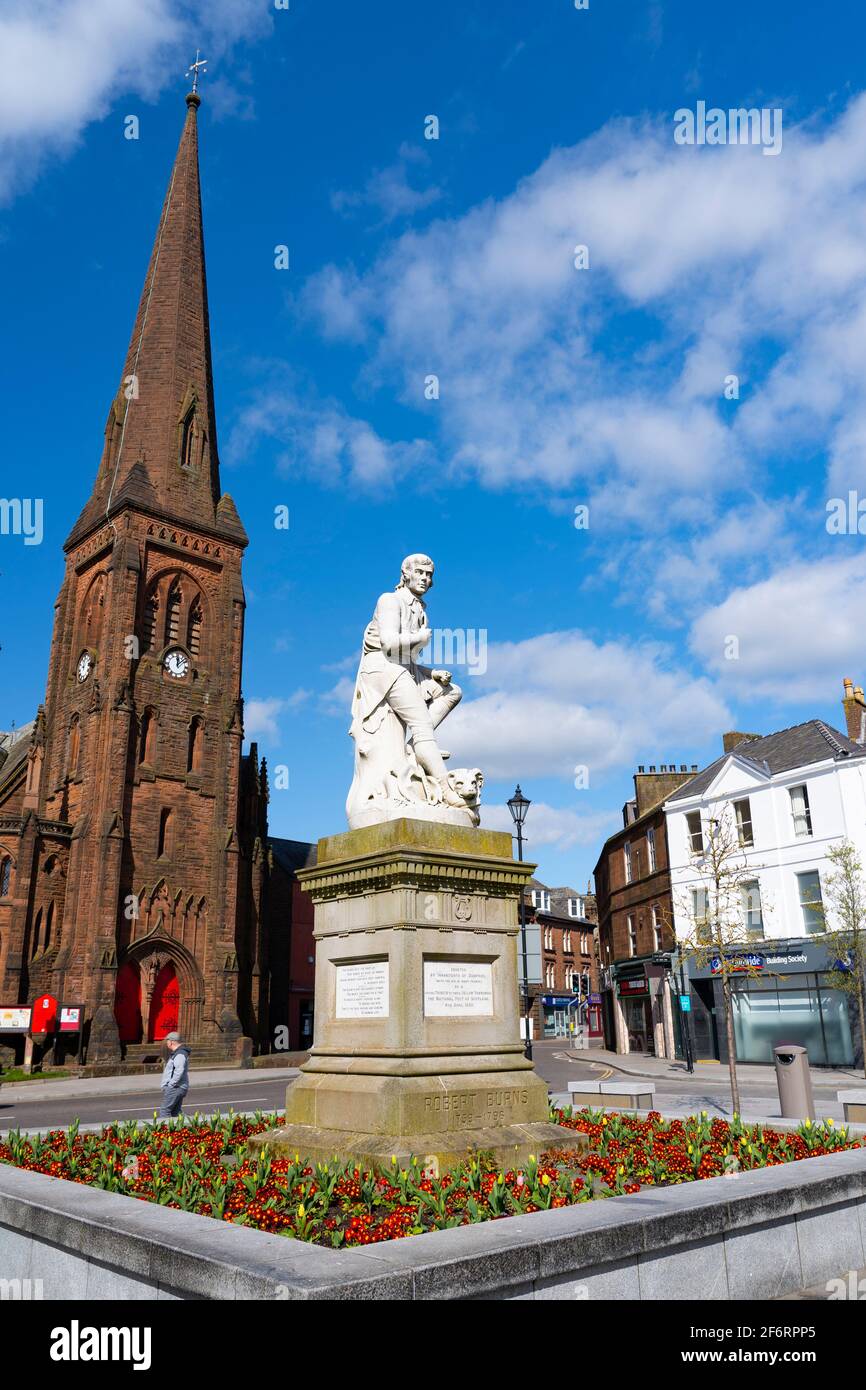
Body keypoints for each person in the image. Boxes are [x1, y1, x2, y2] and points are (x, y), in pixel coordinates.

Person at [346, 553, 466, 822]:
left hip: (404, 668)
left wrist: (432, 673)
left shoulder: (420, 609)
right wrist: (420, 637)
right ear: (406, 574)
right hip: (383, 669)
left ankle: (415, 747)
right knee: (423, 726)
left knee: (452, 691)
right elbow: (389, 643)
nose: (424, 578)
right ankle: (447, 790)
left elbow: (407, 659)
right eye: (420, 573)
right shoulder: (389, 601)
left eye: (429, 575)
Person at [158, 1032, 190, 1118]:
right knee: (176, 1112)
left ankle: (165, 1131)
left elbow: (179, 1071)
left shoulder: (180, 1054)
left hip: (176, 1087)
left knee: (164, 1111)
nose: (166, 1043)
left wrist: (171, 1085)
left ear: (171, 1042)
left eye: (167, 1041)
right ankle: (190, 1127)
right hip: (178, 1087)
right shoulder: (178, 1053)